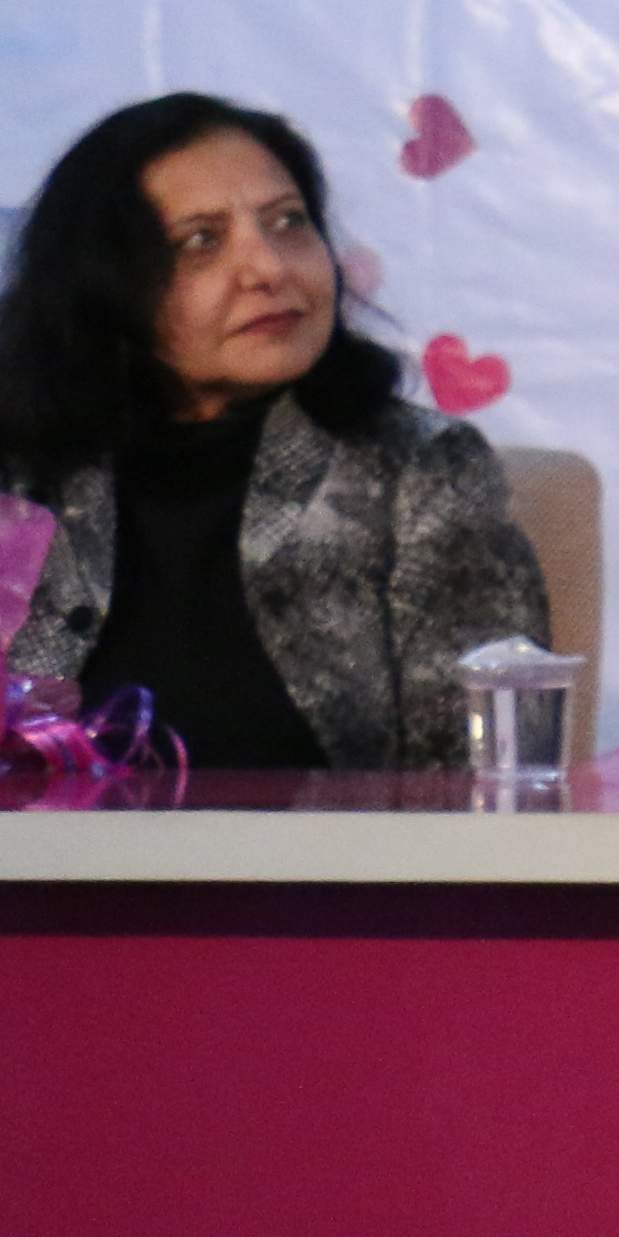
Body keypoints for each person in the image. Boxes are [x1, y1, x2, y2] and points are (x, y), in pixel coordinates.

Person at [0, 93, 550, 769]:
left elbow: (483, 777)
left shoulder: (420, 470)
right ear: (104, 287)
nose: (269, 268)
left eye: (289, 222)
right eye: (201, 240)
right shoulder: (22, 478)